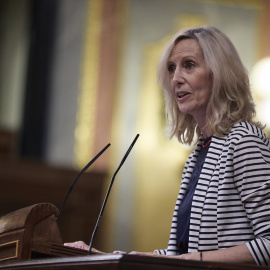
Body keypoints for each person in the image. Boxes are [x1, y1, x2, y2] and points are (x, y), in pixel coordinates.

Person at [65, 26, 270, 267]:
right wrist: (107, 257)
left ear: (219, 73)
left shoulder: (245, 141)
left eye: (189, 65)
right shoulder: (200, 153)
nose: (176, 78)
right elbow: (179, 254)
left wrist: (193, 259)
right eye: (171, 69)